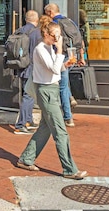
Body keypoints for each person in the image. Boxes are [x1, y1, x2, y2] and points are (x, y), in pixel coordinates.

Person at [15, 20, 88, 180]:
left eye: (59, 34)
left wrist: (66, 65)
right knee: (60, 131)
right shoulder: (41, 49)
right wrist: (60, 50)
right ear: (46, 34)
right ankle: (69, 169)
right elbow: (53, 68)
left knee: (45, 128)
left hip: (52, 90)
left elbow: (55, 70)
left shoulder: (49, 48)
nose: (58, 37)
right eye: (55, 34)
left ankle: (26, 159)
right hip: (46, 92)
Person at [43, 3, 85, 127]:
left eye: (46, 14)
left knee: (62, 86)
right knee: (65, 83)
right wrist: (81, 57)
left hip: (62, 57)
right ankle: (70, 98)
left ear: (50, 12)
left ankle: (68, 117)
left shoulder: (55, 24)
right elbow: (80, 39)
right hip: (73, 55)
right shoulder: (70, 21)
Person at [13, 10, 42, 135]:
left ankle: (29, 121)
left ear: (26, 19)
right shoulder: (37, 33)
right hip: (32, 67)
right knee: (28, 95)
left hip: (21, 66)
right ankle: (21, 124)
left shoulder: (19, 31)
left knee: (28, 94)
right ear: (37, 20)